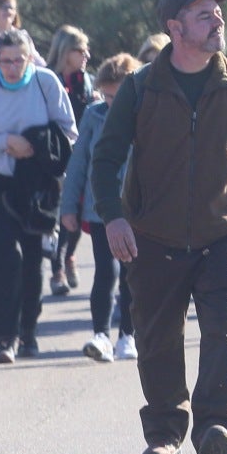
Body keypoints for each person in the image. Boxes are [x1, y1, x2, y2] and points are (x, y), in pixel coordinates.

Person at [92, 0, 227, 454]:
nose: (218, 21)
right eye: (203, 15)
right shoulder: (140, 87)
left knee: (224, 328)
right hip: (154, 236)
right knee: (156, 339)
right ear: (174, 29)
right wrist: (113, 216)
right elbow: (105, 158)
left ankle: (215, 427)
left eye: (218, 13)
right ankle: (165, 434)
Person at [0, 28, 77, 362]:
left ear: (29, 58)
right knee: (5, 255)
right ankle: (4, 338)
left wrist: (38, 144)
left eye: (18, 60)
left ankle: (28, 333)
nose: (12, 68)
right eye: (5, 61)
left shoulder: (45, 83)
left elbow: (69, 131)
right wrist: (7, 142)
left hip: (36, 183)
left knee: (32, 258)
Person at [60, 54, 141, 363]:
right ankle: (101, 335)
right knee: (106, 272)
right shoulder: (94, 116)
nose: (110, 102)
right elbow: (79, 162)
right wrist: (68, 207)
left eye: (116, 96)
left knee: (132, 275)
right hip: (100, 211)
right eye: (106, 95)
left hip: (138, 211)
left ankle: (128, 336)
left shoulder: (148, 114)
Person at [46, 25, 93, 296]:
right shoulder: (49, 80)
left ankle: (67, 257)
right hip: (53, 158)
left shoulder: (85, 81)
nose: (86, 54)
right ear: (66, 51)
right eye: (79, 49)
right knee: (57, 215)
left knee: (76, 211)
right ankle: (57, 269)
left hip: (80, 156)